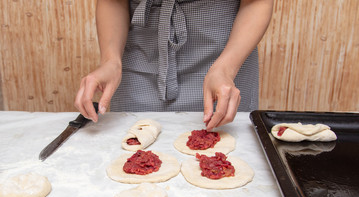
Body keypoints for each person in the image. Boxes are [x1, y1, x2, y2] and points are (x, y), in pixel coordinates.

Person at [74, 0, 273, 131]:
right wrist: (110, 61)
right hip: (141, 58)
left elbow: (256, 2)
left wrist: (225, 69)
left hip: (224, 55)